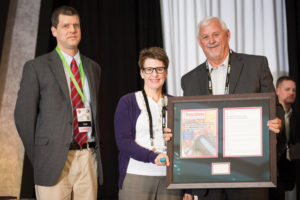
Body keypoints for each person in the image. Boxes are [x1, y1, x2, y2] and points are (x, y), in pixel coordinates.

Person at [164, 16, 282, 200]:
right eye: (205, 37)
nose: (211, 41)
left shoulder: (256, 65)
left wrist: (277, 122)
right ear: (199, 42)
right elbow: (189, 124)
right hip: (208, 181)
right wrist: (175, 134)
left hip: (249, 175)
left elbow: (275, 108)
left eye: (215, 34)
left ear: (227, 35)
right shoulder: (189, 80)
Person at [14, 6, 102, 199]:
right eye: (66, 26)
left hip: (87, 157)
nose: (72, 30)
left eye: (76, 25)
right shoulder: (37, 67)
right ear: (54, 31)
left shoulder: (93, 68)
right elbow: (23, 117)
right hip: (52, 160)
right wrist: (40, 156)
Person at [114, 47, 183, 200]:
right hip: (137, 176)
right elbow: (123, 142)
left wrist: (188, 190)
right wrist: (152, 157)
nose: (154, 74)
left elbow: (186, 144)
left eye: (159, 69)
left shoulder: (175, 103)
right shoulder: (128, 102)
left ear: (166, 72)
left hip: (171, 180)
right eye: (149, 69)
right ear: (141, 73)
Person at [270, 76, 298, 200]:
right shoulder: (269, 115)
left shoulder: (297, 116)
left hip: (289, 172)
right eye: (287, 89)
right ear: (277, 91)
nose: (291, 92)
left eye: (294, 90)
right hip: (271, 171)